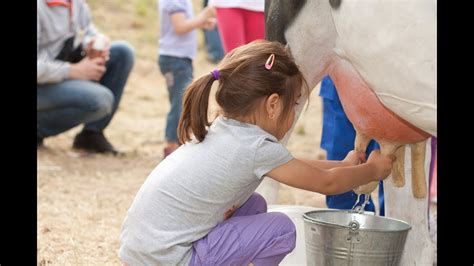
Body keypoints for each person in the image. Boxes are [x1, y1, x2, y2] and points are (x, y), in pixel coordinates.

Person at [119, 40, 395, 265]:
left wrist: (345, 165)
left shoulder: (226, 130)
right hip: (173, 258)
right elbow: (327, 184)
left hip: (144, 252)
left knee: (255, 207)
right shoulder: (255, 147)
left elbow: (295, 166)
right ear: (273, 105)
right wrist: (372, 170)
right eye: (295, 103)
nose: (294, 111)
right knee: (281, 229)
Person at [37, 0, 135, 155]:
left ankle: (91, 135)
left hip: (62, 71)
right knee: (100, 99)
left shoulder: (77, 4)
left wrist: (93, 43)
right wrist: (72, 70)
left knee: (122, 53)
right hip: (44, 82)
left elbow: (87, 31)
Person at [158, 0, 216, 158]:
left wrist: (201, 23)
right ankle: (171, 144)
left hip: (179, 59)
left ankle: (176, 141)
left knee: (180, 101)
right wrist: (203, 15)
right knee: (181, 102)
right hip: (176, 60)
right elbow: (180, 27)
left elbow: (182, 25)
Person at [319, 76, 385, 215]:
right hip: (343, 78)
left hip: (395, 79)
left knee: (395, 167)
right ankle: (350, 223)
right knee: (343, 196)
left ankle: (397, 226)